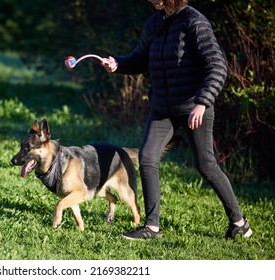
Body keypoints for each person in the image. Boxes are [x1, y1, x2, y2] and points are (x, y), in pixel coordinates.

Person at [101, 0, 252, 240]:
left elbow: (217, 66)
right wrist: (118, 63)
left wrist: (202, 102)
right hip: (163, 108)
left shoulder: (194, 21)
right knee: (147, 158)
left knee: (206, 166)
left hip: (194, 108)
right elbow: (141, 58)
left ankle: (239, 223)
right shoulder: (155, 23)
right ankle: (151, 227)